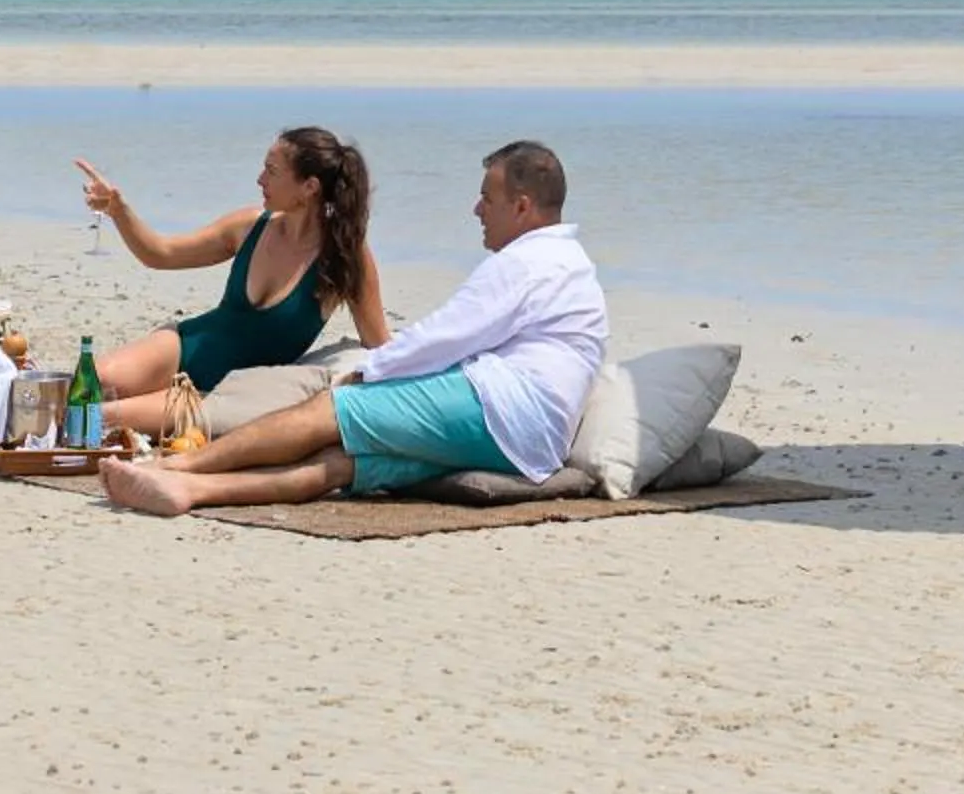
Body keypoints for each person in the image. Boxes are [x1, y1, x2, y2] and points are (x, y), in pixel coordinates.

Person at [100, 140, 604, 516]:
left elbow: (448, 335)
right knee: (345, 464)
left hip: (499, 411)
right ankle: (195, 491)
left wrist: (368, 373)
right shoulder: (572, 265)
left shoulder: (526, 262)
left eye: (486, 199)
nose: (476, 210)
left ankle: (175, 468)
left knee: (329, 411)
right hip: (535, 444)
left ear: (521, 206)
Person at [68, 126, 387, 438]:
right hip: (183, 347)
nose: (260, 180)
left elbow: (379, 346)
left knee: (98, 416)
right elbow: (161, 254)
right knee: (90, 384)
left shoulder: (345, 257)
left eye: (272, 171)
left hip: (224, 397)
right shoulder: (250, 226)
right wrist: (119, 211)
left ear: (309, 188)